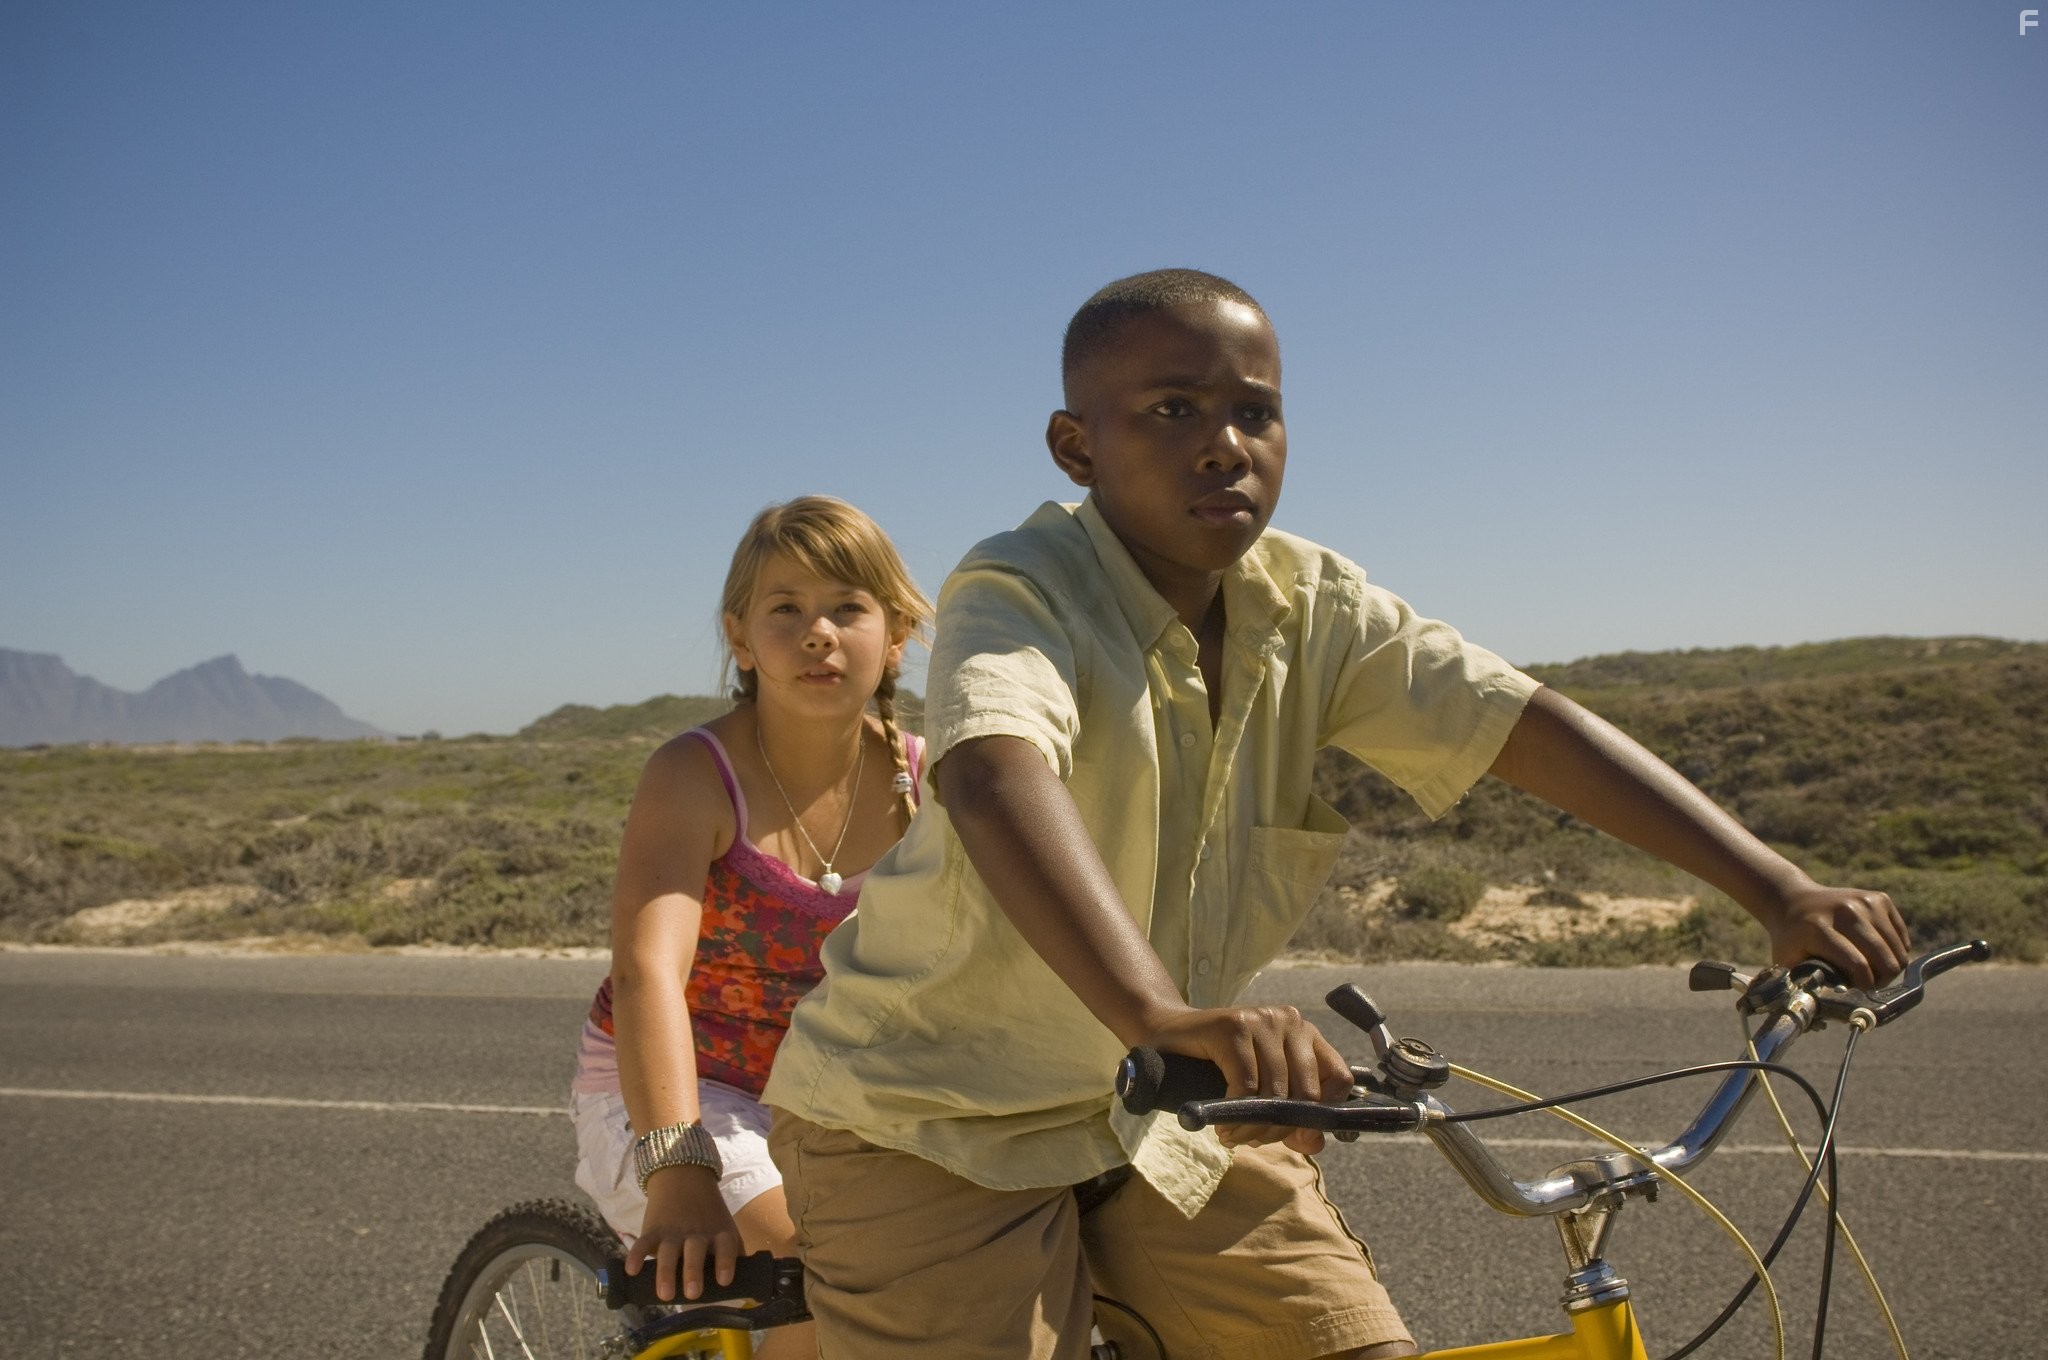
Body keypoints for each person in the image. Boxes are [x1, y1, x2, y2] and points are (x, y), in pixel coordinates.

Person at [759, 269, 1912, 1360]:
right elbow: (993, 774)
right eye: (1169, 408)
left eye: (1253, 412)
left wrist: (1775, 888)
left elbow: (1516, 722)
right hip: (929, 1117)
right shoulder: (1019, 584)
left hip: (1166, 1109)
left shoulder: (1310, 604)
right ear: (1077, 445)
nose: (1223, 442)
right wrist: (1160, 1013)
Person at [568, 495, 932, 1360]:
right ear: (740, 638)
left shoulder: (930, 782)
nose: (819, 633)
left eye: (849, 607)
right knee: (816, 1275)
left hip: (842, 1096)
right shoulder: (695, 775)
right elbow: (649, 972)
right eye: (786, 609)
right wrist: (678, 1164)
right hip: (683, 1094)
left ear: (898, 634)